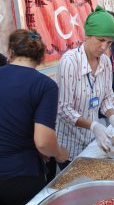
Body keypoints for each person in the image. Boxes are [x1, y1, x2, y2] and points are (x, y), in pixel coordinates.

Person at [0, 29, 69, 205]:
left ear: (10, 52)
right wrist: (59, 153)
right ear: (41, 56)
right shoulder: (45, 85)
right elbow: (43, 142)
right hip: (20, 177)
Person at [56, 6, 114, 170]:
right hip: (69, 143)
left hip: (92, 140)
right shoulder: (69, 62)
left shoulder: (106, 62)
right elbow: (63, 108)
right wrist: (93, 126)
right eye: (100, 40)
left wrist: (112, 116)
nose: (104, 47)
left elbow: (107, 96)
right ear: (87, 35)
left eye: (109, 42)